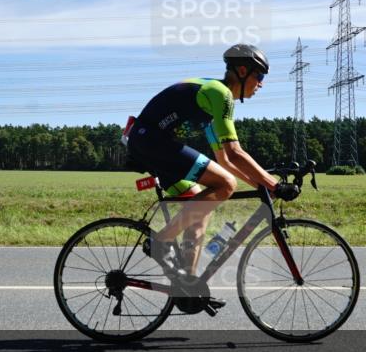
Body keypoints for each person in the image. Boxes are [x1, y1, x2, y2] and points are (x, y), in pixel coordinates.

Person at [126, 44, 299, 299]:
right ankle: (160, 242)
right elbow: (236, 153)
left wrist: (260, 184)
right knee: (226, 186)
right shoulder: (220, 94)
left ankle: (186, 286)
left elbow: (226, 160)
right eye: (259, 77)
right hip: (151, 141)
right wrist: (273, 184)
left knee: (201, 205)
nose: (261, 84)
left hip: (149, 141)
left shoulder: (210, 102)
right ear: (242, 71)